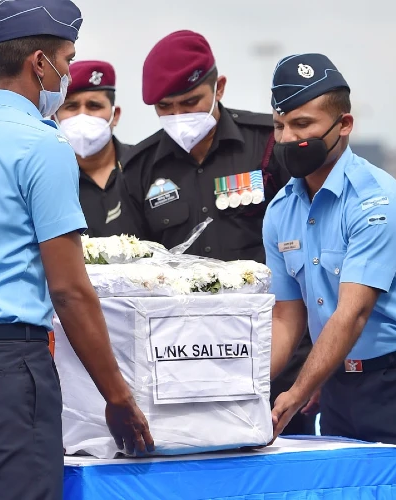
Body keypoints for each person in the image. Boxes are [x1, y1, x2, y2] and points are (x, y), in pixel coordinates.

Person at [0, 1, 154, 498]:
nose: (68, 73)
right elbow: (69, 289)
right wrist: (116, 396)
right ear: (39, 64)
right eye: (67, 61)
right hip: (8, 368)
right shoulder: (42, 146)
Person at [122, 30, 315, 435]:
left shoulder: (267, 145)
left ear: (218, 87)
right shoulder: (140, 168)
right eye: (166, 107)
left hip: (278, 354)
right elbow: (137, 274)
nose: (179, 116)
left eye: (190, 102)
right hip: (186, 363)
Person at [266, 53, 396, 500]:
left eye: (302, 124)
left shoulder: (376, 201)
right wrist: (246, 385)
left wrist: (299, 391)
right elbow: (287, 315)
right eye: (281, 125)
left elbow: (352, 314)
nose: (289, 137)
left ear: (344, 124)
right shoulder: (281, 211)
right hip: (339, 389)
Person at [55, 60, 140, 236]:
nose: (82, 115)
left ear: (115, 116)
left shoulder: (142, 166)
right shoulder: (50, 180)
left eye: (94, 106)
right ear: (54, 117)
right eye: (71, 106)